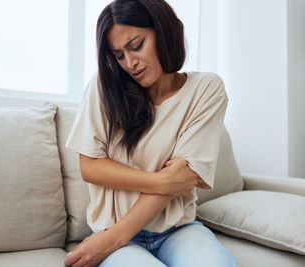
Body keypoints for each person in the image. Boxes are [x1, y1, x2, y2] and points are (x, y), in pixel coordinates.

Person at [64, 0, 239, 266]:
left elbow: (185, 176)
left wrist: (112, 240)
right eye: (119, 55)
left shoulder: (206, 89)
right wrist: (162, 180)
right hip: (113, 232)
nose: (130, 63)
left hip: (177, 231)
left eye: (137, 45)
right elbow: (90, 167)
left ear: (163, 30)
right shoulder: (103, 86)